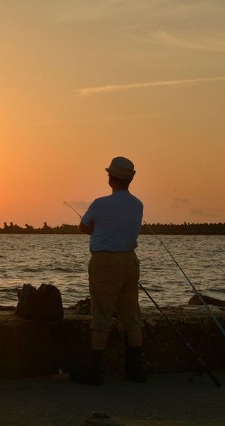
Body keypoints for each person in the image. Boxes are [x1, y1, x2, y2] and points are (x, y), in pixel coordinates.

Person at [72, 156, 146, 385]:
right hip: (130, 262)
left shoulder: (100, 203)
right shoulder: (138, 205)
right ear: (131, 179)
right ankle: (136, 371)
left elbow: (84, 226)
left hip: (104, 263)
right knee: (131, 316)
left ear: (110, 178)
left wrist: (93, 230)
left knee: (101, 315)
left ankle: (95, 372)